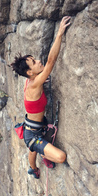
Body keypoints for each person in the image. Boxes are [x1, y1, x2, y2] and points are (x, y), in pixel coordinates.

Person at [11, 16, 71, 179]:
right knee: (60, 157)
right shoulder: (35, 83)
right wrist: (59, 34)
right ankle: (41, 160)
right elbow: (51, 62)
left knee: (32, 147)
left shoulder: (30, 81)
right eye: (34, 62)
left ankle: (33, 168)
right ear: (30, 72)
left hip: (33, 128)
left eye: (35, 59)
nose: (39, 61)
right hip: (33, 134)